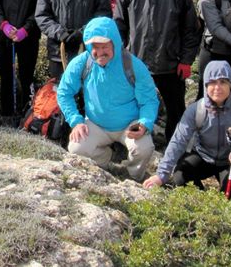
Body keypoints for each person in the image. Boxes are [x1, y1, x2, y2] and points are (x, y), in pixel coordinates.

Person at [114, 0, 200, 142]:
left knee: (176, 111)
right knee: (132, 107)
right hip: (136, 62)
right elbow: (119, 24)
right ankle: (133, 145)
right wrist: (119, 56)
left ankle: (174, 149)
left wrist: (186, 61)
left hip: (170, 64)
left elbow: (191, 28)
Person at [57, 17, 159, 180]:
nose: (100, 52)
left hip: (129, 124)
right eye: (94, 47)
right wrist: (76, 121)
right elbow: (64, 92)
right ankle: (107, 161)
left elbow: (149, 100)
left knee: (144, 148)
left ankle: (134, 177)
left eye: (105, 46)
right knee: (77, 148)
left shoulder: (133, 65)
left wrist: (145, 123)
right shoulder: (82, 63)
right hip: (96, 123)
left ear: (115, 43)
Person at [143, 61, 231, 197]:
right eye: (212, 82)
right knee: (180, 178)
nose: (217, 87)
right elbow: (178, 141)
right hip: (203, 156)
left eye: (223, 82)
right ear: (205, 85)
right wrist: (161, 175)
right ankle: (201, 198)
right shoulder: (196, 110)